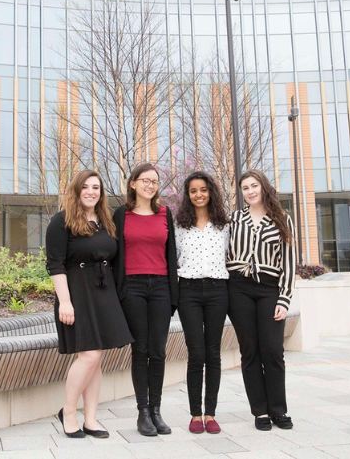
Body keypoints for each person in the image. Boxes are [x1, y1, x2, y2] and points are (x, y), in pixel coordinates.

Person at [46, 170, 134, 439]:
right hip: (76, 294)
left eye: (96, 187)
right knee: (89, 355)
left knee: (97, 360)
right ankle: (69, 412)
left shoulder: (106, 221)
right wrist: (65, 302)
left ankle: (91, 419)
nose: (91, 192)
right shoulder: (61, 221)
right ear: (76, 190)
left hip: (103, 292)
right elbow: (55, 264)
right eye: (85, 187)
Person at [226, 169, 297, 431]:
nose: (250, 191)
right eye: (245, 188)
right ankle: (260, 412)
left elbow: (289, 263)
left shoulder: (282, 219)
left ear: (263, 187)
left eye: (254, 185)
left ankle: (278, 409)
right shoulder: (234, 220)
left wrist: (284, 298)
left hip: (269, 289)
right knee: (250, 351)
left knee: (273, 350)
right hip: (239, 288)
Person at [112, 163, 179, 437]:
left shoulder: (165, 213)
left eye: (154, 181)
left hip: (161, 286)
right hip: (133, 288)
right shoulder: (121, 215)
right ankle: (142, 412)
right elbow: (114, 254)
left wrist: (174, 293)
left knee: (158, 350)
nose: (150, 185)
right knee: (140, 350)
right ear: (133, 184)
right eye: (145, 180)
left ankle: (156, 410)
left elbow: (171, 254)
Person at [174, 171, 230, 435]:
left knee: (213, 353)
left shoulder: (224, 224)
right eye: (193, 190)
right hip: (189, 292)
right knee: (196, 354)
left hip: (219, 290)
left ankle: (211, 414)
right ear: (187, 194)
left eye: (203, 190)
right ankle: (195, 414)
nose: (199, 194)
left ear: (211, 192)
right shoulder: (179, 225)